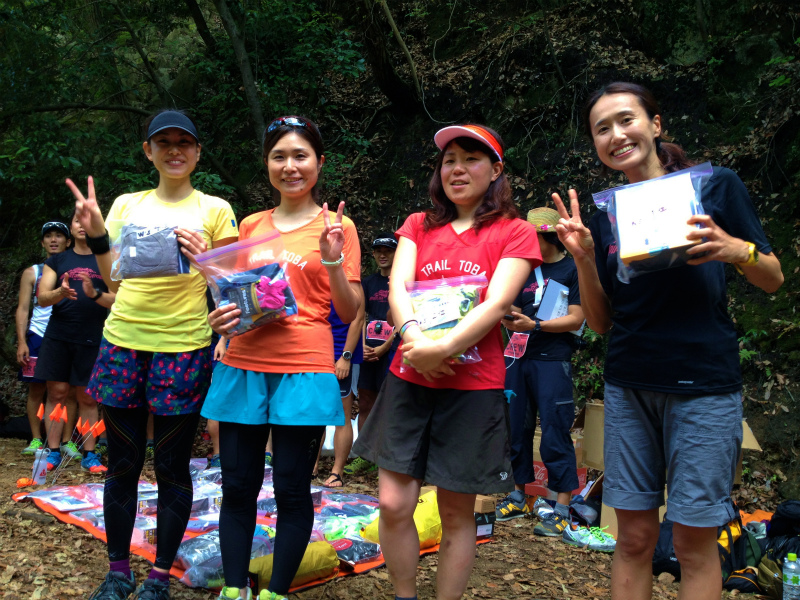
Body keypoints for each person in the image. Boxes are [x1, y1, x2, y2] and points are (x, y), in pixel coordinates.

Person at [552, 82, 784, 600]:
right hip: (630, 384)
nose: (617, 135)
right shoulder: (608, 213)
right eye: (602, 128)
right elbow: (603, 321)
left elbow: (772, 277)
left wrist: (732, 248)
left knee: (692, 542)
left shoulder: (715, 188)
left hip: (703, 385)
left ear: (655, 125)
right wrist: (586, 259)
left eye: (627, 120)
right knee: (631, 537)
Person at [353, 124, 541, 600]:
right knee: (394, 503)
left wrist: (444, 349)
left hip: (473, 388)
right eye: (449, 159)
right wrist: (416, 341)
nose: (457, 168)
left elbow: (497, 303)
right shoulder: (419, 225)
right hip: (408, 377)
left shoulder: (514, 232)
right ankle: (405, 595)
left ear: (496, 170)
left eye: (471, 159)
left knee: (458, 513)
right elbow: (397, 288)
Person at [66, 109, 238, 600]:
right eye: (164, 142)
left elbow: (230, 290)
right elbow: (114, 276)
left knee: (171, 467)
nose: (175, 150)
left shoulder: (215, 208)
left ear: (198, 152)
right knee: (122, 464)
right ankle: (119, 571)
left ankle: (158, 577)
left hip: (183, 347)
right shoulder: (127, 203)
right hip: (123, 343)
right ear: (149, 151)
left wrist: (204, 255)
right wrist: (99, 230)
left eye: (185, 142)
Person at [202, 115, 361, 600]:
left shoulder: (339, 226)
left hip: (304, 368)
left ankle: (275, 593)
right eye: (279, 156)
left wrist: (331, 259)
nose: (290, 166)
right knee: (238, 486)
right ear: (267, 164)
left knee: (292, 490)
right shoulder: (251, 224)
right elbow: (231, 294)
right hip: (245, 363)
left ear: (319, 163)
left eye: (300, 155)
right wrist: (220, 320)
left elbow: (351, 308)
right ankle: (235, 590)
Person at [496, 207, 584, 537]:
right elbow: (515, 306)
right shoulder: (524, 269)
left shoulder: (572, 268)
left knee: (554, 429)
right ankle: (519, 495)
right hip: (518, 356)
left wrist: (536, 325)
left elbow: (576, 318)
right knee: (516, 426)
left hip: (552, 359)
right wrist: (505, 310)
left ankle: (562, 506)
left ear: (544, 236)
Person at [35, 211, 114, 474]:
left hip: (94, 334)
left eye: (89, 221)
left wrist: (95, 294)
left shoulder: (107, 259)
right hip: (59, 334)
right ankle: (53, 451)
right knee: (56, 392)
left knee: (88, 397)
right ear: (72, 227)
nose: (83, 225)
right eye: (78, 221)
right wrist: (60, 292)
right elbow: (42, 298)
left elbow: (121, 297)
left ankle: (90, 454)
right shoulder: (57, 261)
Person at [345, 233, 398, 477]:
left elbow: (403, 317)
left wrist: (385, 347)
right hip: (366, 352)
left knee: (387, 404)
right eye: (378, 251)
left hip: (390, 351)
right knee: (365, 402)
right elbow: (359, 316)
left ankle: (383, 457)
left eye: (388, 250)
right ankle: (364, 454)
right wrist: (363, 346)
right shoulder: (367, 283)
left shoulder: (400, 282)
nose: (383, 255)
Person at [16, 221, 71, 455]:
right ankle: (37, 438)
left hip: (68, 335)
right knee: (36, 389)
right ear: (42, 242)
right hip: (38, 334)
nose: (54, 240)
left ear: (68, 242)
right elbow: (23, 308)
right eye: (49, 236)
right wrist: (22, 341)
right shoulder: (33, 272)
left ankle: (67, 441)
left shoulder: (77, 270)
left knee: (67, 389)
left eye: (59, 236)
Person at [323, 298, 365, 488]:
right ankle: (311, 465)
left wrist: (346, 356)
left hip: (340, 353)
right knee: (313, 414)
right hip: (314, 352)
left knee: (342, 415)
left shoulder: (348, 273)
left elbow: (358, 318)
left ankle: (337, 471)